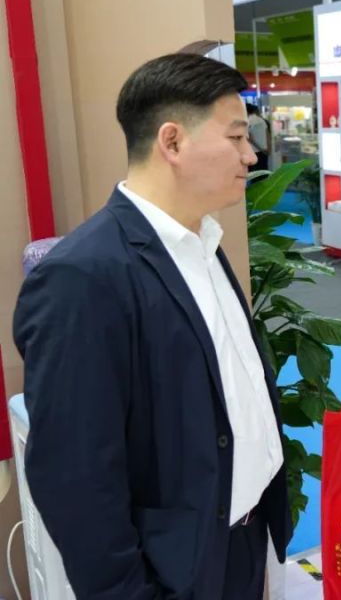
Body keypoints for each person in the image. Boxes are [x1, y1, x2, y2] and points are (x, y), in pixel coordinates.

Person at [13, 53, 290, 599]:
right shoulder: (83, 275)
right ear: (172, 141)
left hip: (238, 539)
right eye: (236, 137)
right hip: (172, 568)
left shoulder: (203, 243)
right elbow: (75, 475)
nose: (250, 154)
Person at [247, 102, 270, 170]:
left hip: (254, 151)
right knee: (264, 171)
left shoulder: (248, 121)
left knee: (255, 173)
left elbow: (249, 138)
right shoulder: (262, 120)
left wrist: (261, 149)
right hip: (264, 151)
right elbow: (267, 135)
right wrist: (268, 149)